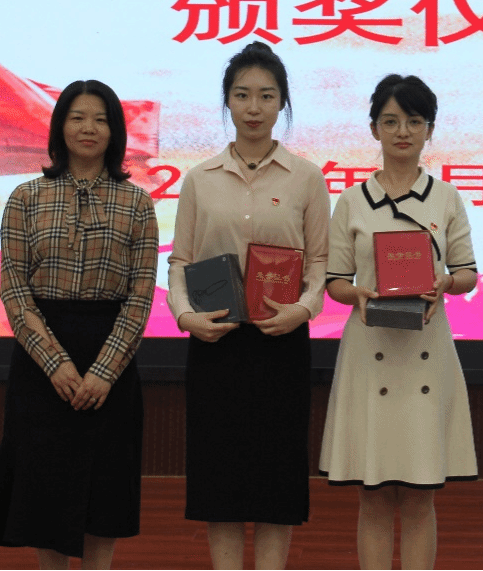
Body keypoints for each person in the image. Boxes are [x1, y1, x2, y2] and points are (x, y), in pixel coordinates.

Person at [0, 80, 159, 569]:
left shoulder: (138, 203)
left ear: (115, 131)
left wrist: (103, 372)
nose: (88, 128)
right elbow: (15, 291)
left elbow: (140, 297)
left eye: (100, 119)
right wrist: (55, 364)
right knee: (44, 497)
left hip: (110, 362)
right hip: (41, 364)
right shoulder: (25, 197)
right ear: (59, 127)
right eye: (77, 117)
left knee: (103, 496)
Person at [167, 42, 330, 570]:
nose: (254, 107)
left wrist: (303, 310)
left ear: (282, 102)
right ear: (227, 102)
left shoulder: (306, 177)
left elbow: (319, 262)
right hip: (215, 342)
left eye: (266, 95)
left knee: (276, 477)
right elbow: (180, 261)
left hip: (281, 341)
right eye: (242, 95)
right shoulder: (200, 178)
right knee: (220, 478)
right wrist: (185, 316)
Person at [319, 74, 478, 571]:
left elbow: (468, 273)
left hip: (425, 354)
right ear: (374, 129)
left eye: (413, 121)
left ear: (430, 129)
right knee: (372, 495)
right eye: (390, 121)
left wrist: (445, 283)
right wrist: (357, 295)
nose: (402, 131)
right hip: (370, 353)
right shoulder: (352, 200)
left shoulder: (445, 197)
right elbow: (335, 281)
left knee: (419, 495)